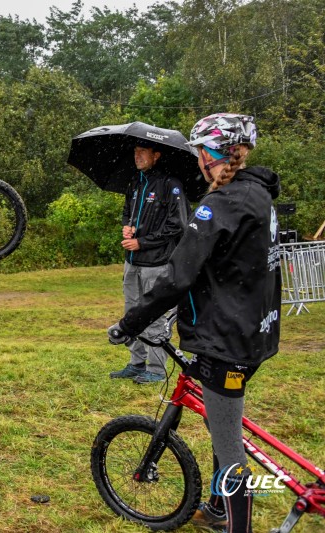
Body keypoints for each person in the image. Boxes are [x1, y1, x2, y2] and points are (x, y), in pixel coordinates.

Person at [108, 113, 281, 533]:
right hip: (256, 331)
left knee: (229, 449)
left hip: (226, 340)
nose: (198, 159)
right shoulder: (258, 196)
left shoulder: (219, 205)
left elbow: (177, 276)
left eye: (200, 151)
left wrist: (131, 322)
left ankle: (234, 523)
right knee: (223, 421)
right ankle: (220, 508)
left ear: (213, 154)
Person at [109, 139, 189, 384]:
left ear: (156, 155)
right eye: (135, 152)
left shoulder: (170, 185)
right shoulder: (135, 183)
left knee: (153, 315)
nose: (138, 156)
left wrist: (143, 242)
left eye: (143, 152)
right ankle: (136, 363)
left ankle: (156, 369)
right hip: (132, 262)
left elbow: (178, 225)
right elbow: (127, 211)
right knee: (132, 313)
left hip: (157, 262)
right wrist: (127, 227)